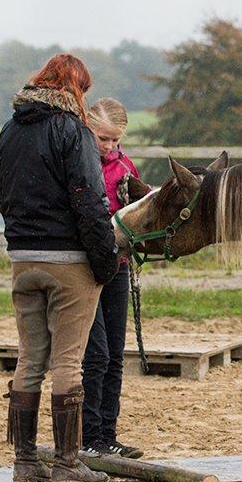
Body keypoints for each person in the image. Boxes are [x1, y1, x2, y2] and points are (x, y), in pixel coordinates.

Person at [0, 54, 119, 482]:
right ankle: (68, 464)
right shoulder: (73, 131)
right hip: (67, 261)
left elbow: (3, 196)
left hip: (22, 259)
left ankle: (25, 462)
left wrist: (19, 243)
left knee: (29, 359)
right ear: (76, 89)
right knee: (69, 362)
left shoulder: (9, 130)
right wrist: (105, 263)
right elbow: (89, 202)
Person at [80, 98, 144, 458]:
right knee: (97, 354)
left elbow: (135, 212)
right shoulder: (78, 164)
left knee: (115, 353)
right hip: (87, 268)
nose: (109, 146)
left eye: (115, 140)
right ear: (88, 129)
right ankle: (89, 435)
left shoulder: (125, 166)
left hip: (118, 266)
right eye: (102, 138)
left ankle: (108, 434)